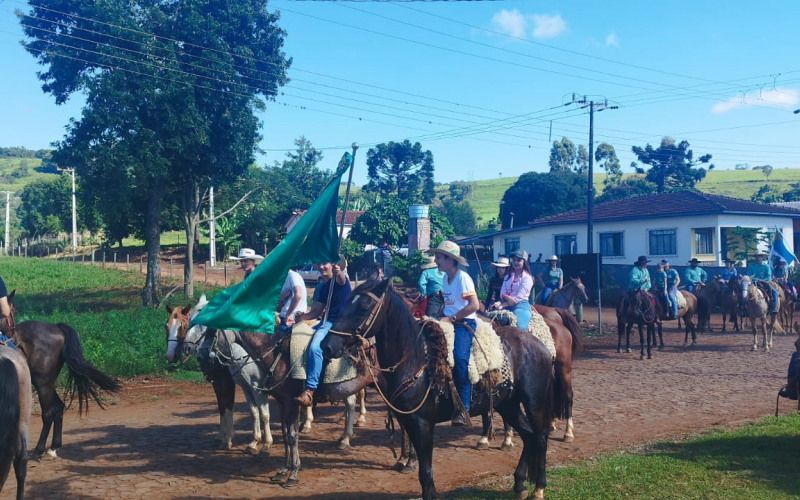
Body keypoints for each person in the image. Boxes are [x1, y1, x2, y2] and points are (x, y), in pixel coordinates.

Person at [428, 240, 479, 426]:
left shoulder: (462, 278)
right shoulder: (445, 278)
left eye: (439, 257)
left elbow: (475, 305)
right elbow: (448, 304)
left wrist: (451, 319)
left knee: (459, 359)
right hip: (448, 321)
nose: (436, 260)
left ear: (450, 259)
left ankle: (463, 407)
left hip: (464, 323)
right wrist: (436, 316)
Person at [292, 259, 352, 407]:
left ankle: (310, 389)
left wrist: (339, 272)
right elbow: (316, 311)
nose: (321, 267)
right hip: (325, 322)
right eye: (319, 264)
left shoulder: (341, 281)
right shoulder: (323, 288)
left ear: (333, 265)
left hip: (339, 324)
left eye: (325, 263)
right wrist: (300, 318)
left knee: (315, 348)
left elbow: (341, 279)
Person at [492, 250, 534, 330]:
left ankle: (524, 342)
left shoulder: (527, 278)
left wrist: (502, 305)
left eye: (518, 260)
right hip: (505, 303)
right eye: (514, 260)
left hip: (520, 306)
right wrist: (507, 298)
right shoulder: (507, 276)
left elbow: (518, 299)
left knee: (519, 327)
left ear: (524, 262)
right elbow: (502, 293)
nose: (515, 262)